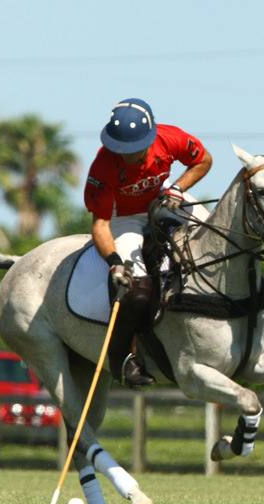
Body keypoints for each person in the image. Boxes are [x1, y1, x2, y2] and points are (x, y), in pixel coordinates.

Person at [84, 98, 213, 387]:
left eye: (135, 149)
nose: (129, 156)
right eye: (122, 150)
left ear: (151, 136)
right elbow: (100, 224)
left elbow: (203, 160)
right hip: (124, 217)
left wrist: (179, 188)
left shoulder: (172, 138)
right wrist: (115, 264)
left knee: (211, 236)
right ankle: (121, 358)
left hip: (163, 200)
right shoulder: (102, 167)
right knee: (136, 291)